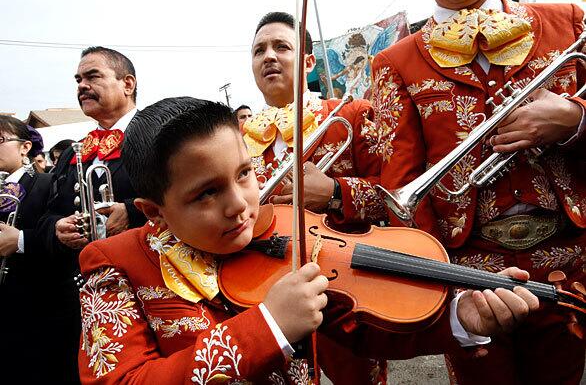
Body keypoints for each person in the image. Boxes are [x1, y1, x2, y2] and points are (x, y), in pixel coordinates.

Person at [76, 96, 539, 384]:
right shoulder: (113, 261)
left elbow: (359, 327)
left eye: (245, 174)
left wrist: (460, 318)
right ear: (154, 212)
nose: (240, 204)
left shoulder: (285, 228)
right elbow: (120, 380)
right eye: (206, 193)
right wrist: (269, 326)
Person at [373, 0, 586, 384]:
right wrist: (447, 297)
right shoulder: (394, 62)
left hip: (570, 266)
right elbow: (401, 187)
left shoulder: (569, 22)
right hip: (470, 283)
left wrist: (575, 118)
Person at [247, 11, 396, 381]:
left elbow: (398, 198)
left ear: (308, 61)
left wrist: (334, 192)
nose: (268, 56)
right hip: (264, 293)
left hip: (346, 290)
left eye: (282, 46)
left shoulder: (352, 114)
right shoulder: (236, 138)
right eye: (258, 50)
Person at [37, 46, 145, 383]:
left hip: (144, 290)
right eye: (78, 79)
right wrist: (57, 228)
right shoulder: (75, 150)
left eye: (92, 76)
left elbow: (187, 199)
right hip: (78, 297)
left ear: (127, 84)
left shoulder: (157, 134)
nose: (82, 85)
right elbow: (44, 216)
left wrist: (131, 211)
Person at [0, 116, 60, 382]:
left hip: (34, 302)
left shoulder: (47, 183)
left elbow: (61, 235)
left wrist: (21, 240)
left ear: (25, 148)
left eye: (0, 140)